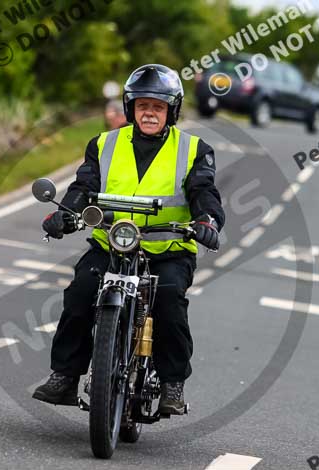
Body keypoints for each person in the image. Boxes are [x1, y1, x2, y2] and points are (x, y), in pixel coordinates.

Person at [33, 64, 226, 415]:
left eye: (158, 106)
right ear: (130, 108)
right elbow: (84, 187)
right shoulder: (104, 144)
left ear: (172, 110)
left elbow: (204, 192)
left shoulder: (195, 149)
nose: (149, 112)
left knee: (169, 301)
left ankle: (172, 384)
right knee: (78, 294)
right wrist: (65, 213)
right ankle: (64, 376)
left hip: (168, 248)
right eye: (142, 105)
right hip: (112, 243)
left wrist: (207, 221)